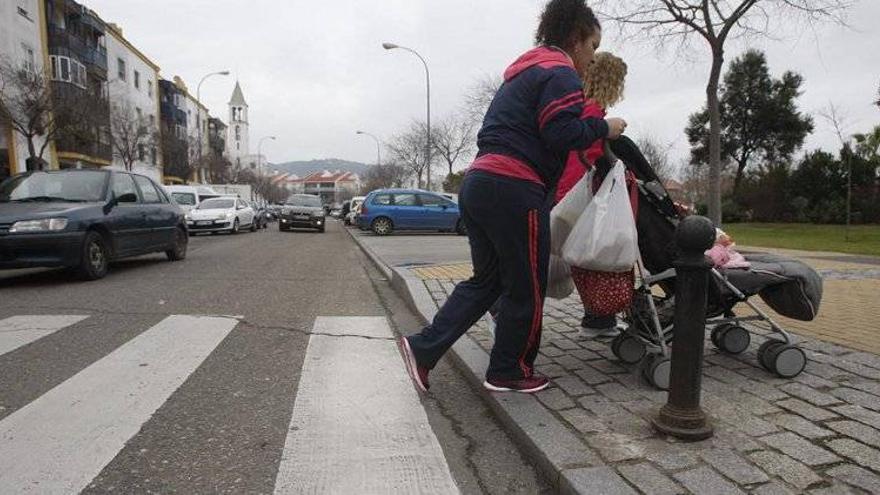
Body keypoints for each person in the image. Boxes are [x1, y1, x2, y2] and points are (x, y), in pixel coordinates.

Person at [398, 0, 627, 394]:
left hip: (480, 182)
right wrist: (604, 127)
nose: (592, 57)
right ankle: (509, 371)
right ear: (575, 39)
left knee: (487, 281)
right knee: (527, 285)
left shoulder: (523, 73)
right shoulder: (561, 74)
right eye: (592, 45)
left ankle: (422, 348)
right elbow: (560, 133)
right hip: (516, 189)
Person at [555, 52, 629, 338]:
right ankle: (500, 308)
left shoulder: (581, 107)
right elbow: (581, 159)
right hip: (576, 193)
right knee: (598, 253)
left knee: (587, 255)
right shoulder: (594, 112)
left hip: (567, 190)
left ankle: (599, 320)